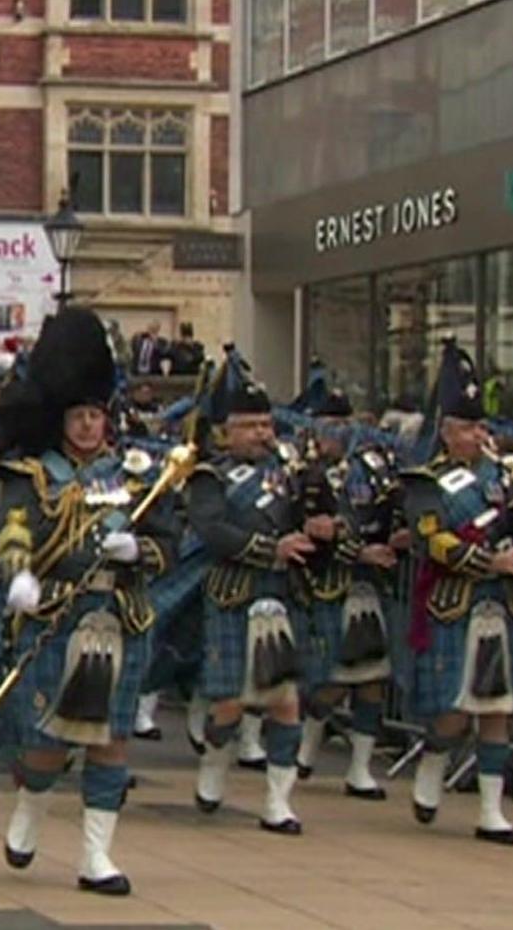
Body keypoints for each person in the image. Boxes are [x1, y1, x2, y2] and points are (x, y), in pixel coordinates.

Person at [0, 307, 178, 896]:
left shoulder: (135, 475)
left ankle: (97, 858)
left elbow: (169, 544)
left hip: (119, 615)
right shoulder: (29, 474)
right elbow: (14, 528)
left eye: (97, 415)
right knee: (47, 743)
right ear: (61, 419)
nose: (90, 426)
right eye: (80, 416)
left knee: (110, 739)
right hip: (56, 613)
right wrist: (17, 574)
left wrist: (140, 550)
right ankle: (29, 812)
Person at [401, 339, 513, 846]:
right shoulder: (425, 480)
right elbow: (431, 538)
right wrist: (489, 560)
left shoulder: (509, 477)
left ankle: (491, 812)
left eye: (481, 426)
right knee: (453, 710)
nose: (480, 435)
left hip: (503, 604)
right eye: (469, 427)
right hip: (456, 603)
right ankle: (434, 759)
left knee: (497, 707)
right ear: (447, 432)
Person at [185, 348, 312, 834]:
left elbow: (318, 514)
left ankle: (277, 803)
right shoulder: (208, 476)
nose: (262, 433)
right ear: (226, 430)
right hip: (233, 593)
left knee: (285, 699)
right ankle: (214, 761)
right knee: (230, 703)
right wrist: (270, 548)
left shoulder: (293, 474)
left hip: (281, 595)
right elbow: (212, 529)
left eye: (266, 424)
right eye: (251, 425)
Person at [290, 382, 405, 802]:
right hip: (324, 585)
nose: (333, 434)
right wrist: (359, 550)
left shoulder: (374, 469)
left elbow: (383, 515)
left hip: (370, 586)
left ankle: (360, 770)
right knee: (332, 679)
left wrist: (398, 540)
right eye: (327, 425)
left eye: (340, 425)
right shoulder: (303, 470)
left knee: (373, 676)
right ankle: (307, 743)